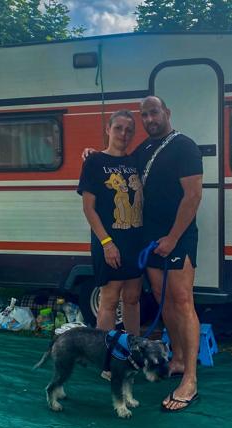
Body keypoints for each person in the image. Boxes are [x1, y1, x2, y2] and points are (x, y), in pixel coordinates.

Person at [84, 96, 203, 412]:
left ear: (167, 112)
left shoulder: (185, 146)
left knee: (182, 302)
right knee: (164, 301)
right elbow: (114, 164)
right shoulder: (144, 151)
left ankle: (189, 379)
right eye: (144, 115)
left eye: (154, 112)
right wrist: (90, 153)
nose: (150, 119)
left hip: (175, 240)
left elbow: (193, 197)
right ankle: (177, 359)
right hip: (148, 242)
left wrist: (174, 237)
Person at [77, 110, 143, 336]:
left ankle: (133, 350)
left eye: (129, 130)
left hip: (135, 241)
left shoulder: (136, 161)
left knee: (133, 297)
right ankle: (105, 358)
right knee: (110, 299)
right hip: (109, 242)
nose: (123, 134)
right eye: (118, 128)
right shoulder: (94, 161)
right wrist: (107, 243)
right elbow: (88, 208)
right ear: (108, 129)